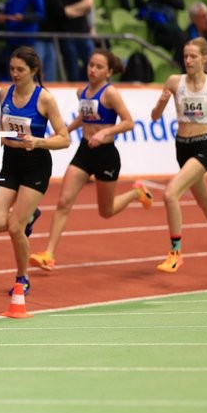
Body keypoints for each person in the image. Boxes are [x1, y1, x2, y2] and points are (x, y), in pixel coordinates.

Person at [29, 49, 153, 271]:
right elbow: (82, 117)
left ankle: (137, 193)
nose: (92, 70)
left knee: (105, 212)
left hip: (106, 155)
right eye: (90, 65)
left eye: (98, 67)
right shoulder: (82, 91)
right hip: (85, 152)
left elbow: (128, 122)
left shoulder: (110, 93)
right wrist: (63, 131)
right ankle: (49, 253)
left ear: (109, 72)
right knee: (64, 201)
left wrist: (104, 133)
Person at [0, 46, 69, 295]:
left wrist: (40, 141)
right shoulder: (4, 93)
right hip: (10, 161)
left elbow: (64, 139)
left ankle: (22, 278)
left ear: (33, 71)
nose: (15, 74)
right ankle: (31, 215)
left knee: (15, 228)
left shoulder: (45, 99)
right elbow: (3, 126)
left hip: (36, 164)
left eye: (20, 70)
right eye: (12, 69)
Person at [150, 37, 207, 273]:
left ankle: (176, 252)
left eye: (193, 56)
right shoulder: (173, 81)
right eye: (185, 56)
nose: (188, 60)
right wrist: (160, 104)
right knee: (204, 201)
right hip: (182, 147)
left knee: (170, 194)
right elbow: (154, 117)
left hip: (203, 147)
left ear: (205, 58)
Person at [46, 0, 94, 81]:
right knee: (72, 69)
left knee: (93, 66)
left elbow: (89, 3)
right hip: (66, 35)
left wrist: (70, 10)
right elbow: (62, 12)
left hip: (83, 32)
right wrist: (80, 8)